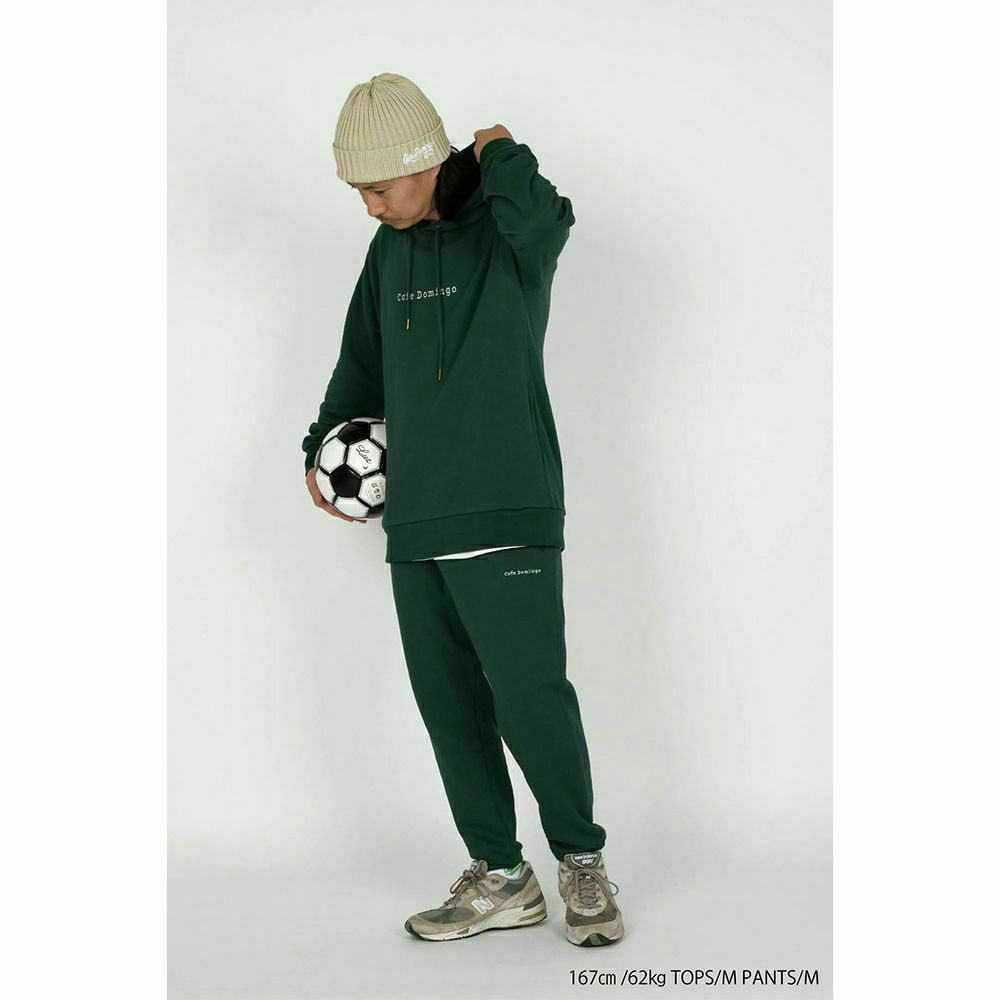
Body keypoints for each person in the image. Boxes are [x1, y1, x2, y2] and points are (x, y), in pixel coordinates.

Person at [301, 73, 624, 947]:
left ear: (422, 162)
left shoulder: (509, 237)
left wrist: (501, 151)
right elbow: (359, 368)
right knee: (450, 710)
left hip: (508, 504)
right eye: (358, 192)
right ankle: (501, 877)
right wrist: (323, 449)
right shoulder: (389, 252)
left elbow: (547, 220)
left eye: (378, 187)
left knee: (531, 701)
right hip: (417, 520)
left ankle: (581, 860)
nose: (369, 207)